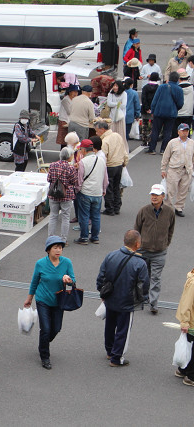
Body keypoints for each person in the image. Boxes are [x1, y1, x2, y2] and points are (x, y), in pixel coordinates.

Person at [96, 230, 150, 367]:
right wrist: (142, 298)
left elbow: (101, 276)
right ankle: (116, 357)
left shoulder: (111, 256)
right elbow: (143, 285)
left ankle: (109, 350)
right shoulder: (140, 263)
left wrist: (102, 293)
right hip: (127, 302)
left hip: (110, 298)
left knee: (109, 325)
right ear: (137, 244)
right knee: (123, 330)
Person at [23, 236, 75, 370]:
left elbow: (73, 280)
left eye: (60, 248)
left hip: (59, 301)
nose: (58, 250)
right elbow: (35, 281)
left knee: (56, 328)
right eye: (55, 248)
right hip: (43, 300)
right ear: (48, 250)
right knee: (45, 329)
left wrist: (68, 279)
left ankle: (43, 343)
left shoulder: (66, 263)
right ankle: (45, 356)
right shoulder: (40, 263)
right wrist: (29, 298)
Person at [134, 184, 176, 314]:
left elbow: (171, 230)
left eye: (157, 195)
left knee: (156, 278)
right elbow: (136, 229)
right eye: (152, 194)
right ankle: (141, 297)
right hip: (143, 250)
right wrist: (137, 247)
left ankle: (153, 303)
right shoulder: (144, 210)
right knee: (142, 277)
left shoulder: (170, 212)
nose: (154, 197)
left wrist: (165, 244)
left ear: (163, 196)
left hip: (160, 252)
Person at [74, 139, 108, 245]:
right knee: (96, 216)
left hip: (85, 192)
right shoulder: (102, 160)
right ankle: (95, 237)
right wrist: (104, 189)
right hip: (98, 192)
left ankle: (84, 237)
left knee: (84, 215)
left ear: (84, 150)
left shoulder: (83, 162)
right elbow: (105, 178)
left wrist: (77, 190)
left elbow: (79, 179)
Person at [95, 121, 127, 216]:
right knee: (116, 187)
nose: (96, 133)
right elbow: (123, 150)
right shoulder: (117, 136)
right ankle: (117, 207)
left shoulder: (105, 141)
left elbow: (103, 156)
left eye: (97, 131)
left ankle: (110, 208)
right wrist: (125, 162)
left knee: (108, 188)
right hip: (119, 165)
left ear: (102, 129)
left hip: (110, 166)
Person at [161, 123, 194, 217]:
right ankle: (168, 208)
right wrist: (163, 169)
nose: (185, 133)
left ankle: (179, 208)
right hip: (174, 169)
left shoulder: (192, 143)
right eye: (183, 131)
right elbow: (166, 157)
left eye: (186, 131)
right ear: (178, 132)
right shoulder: (172, 142)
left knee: (183, 191)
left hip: (187, 170)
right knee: (171, 190)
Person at [47, 147, 78, 243]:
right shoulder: (70, 168)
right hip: (66, 195)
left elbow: (49, 179)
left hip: (54, 194)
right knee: (65, 217)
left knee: (53, 216)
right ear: (69, 157)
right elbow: (74, 181)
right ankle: (63, 239)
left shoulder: (52, 165)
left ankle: (50, 238)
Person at [150, 72, 185, 155]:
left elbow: (155, 100)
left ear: (169, 78)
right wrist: (175, 109)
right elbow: (180, 103)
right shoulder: (179, 89)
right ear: (177, 79)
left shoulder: (161, 87)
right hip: (171, 113)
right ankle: (163, 150)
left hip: (159, 112)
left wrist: (153, 110)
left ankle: (152, 149)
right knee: (167, 132)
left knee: (155, 130)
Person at [175, 268, 194, 385]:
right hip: (192, 321)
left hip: (190, 321)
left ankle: (183, 369)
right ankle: (191, 376)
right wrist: (185, 322)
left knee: (189, 345)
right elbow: (187, 303)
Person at [141, 72, 161, 146]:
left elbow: (143, 98)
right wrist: (153, 109)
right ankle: (151, 141)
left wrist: (146, 108)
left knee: (145, 125)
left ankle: (144, 141)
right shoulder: (158, 88)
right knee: (153, 127)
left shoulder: (145, 87)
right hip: (154, 110)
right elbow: (159, 100)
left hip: (145, 110)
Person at [172, 69, 194, 138]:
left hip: (177, 113)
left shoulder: (176, 88)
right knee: (187, 132)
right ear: (187, 78)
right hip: (189, 113)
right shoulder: (192, 88)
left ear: (179, 79)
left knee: (176, 132)